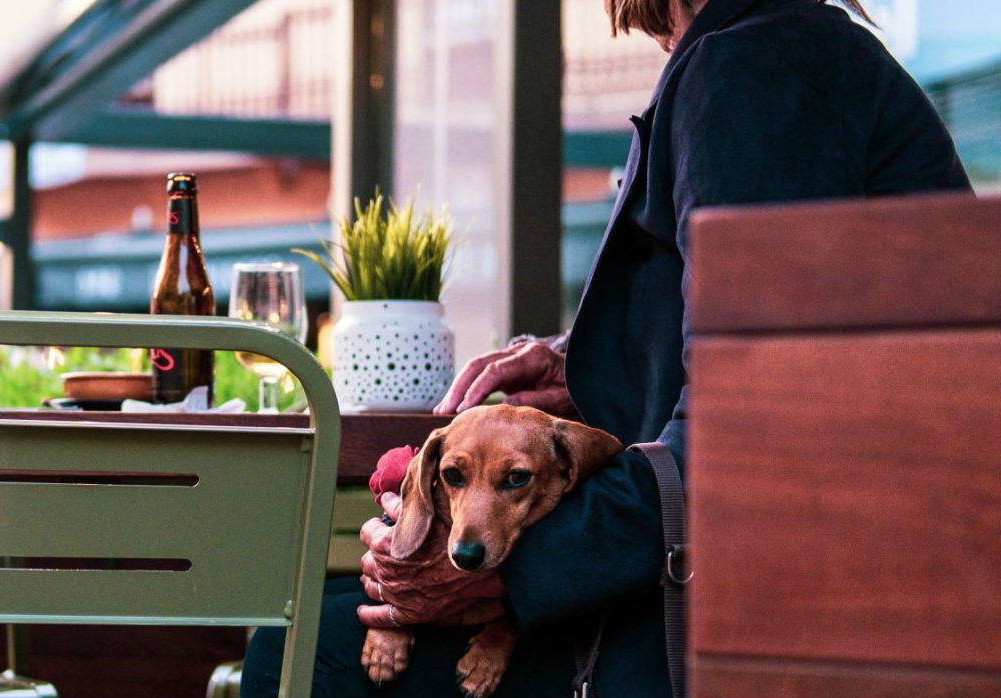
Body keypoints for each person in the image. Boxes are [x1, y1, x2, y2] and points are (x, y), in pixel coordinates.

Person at [241, 0, 971, 696]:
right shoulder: (790, 51)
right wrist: (583, 362)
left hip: (767, 606)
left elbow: (743, 426)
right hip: (826, 572)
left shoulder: (755, 66)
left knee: (301, 653)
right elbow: (775, 355)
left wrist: (503, 577)